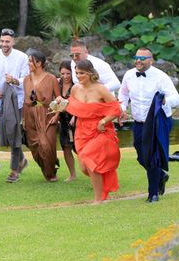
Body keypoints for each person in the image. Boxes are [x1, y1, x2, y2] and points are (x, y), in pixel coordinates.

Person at [118, 48, 179, 203]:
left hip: (158, 122)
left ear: (151, 60)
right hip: (139, 122)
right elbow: (123, 94)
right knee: (141, 156)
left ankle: (153, 194)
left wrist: (165, 100)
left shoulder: (160, 77)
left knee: (152, 156)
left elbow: (176, 98)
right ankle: (160, 175)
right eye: (136, 57)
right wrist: (122, 108)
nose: (138, 60)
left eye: (143, 58)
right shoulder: (129, 75)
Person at [60, 59, 121, 204]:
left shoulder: (101, 89)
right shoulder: (75, 89)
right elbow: (72, 104)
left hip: (100, 130)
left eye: (82, 73)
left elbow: (116, 108)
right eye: (77, 73)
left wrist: (103, 121)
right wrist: (59, 103)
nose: (79, 76)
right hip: (81, 131)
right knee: (85, 167)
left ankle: (98, 199)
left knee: (90, 159)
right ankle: (102, 184)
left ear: (90, 73)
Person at [0, 28, 30, 183]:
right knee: (8, 134)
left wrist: (15, 80)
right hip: (0, 100)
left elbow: (27, 79)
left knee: (14, 133)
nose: (4, 44)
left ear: (13, 42)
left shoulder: (22, 57)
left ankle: (14, 170)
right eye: (2, 41)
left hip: (18, 101)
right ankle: (22, 161)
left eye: (7, 41)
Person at [22, 50, 61, 182]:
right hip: (30, 114)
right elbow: (25, 100)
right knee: (35, 146)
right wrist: (24, 119)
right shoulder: (26, 79)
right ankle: (47, 168)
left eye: (30, 61)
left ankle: (51, 173)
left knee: (46, 145)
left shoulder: (51, 79)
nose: (28, 63)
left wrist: (57, 114)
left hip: (46, 114)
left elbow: (58, 98)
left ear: (39, 63)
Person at [58, 60, 77, 181]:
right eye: (63, 73)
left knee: (79, 148)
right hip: (63, 120)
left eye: (68, 73)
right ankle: (72, 175)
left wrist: (75, 116)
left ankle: (91, 171)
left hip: (76, 119)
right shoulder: (57, 84)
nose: (65, 76)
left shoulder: (77, 85)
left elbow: (81, 102)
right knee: (66, 147)